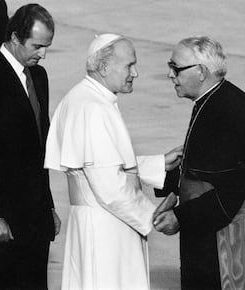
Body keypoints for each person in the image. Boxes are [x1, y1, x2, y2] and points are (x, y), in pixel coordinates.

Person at [44, 33, 182, 290]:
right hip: (105, 229)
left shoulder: (85, 97)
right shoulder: (93, 109)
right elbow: (110, 187)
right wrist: (155, 216)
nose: (136, 73)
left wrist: (157, 164)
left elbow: (98, 165)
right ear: (104, 67)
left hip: (98, 221)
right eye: (130, 64)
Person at [153, 36, 245, 289]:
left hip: (235, 238)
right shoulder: (215, 100)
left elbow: (230, 192)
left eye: (176, 68)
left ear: (201, 72)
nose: (170, 75)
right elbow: (204, 170)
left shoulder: (226, 111)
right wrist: (169, 184)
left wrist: (180, 217)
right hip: (218, 224)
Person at [0, 4, 60, 289]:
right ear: (15, 38)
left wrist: (49, 206)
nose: (43, 54)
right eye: (38, 46)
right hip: (2, 223)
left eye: (47, 47)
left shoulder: (39, 77)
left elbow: (38, 147)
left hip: (35, 219)